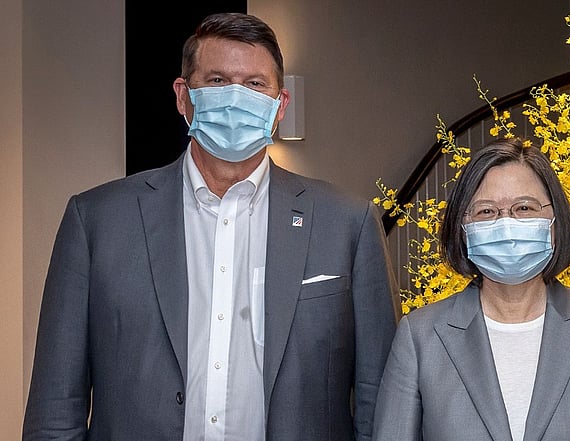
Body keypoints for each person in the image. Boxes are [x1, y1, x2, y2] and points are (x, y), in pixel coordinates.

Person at [23, 12, 400, 441]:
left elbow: (381, 401)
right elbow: (56, 407)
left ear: (280, 104)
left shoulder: (347, 223)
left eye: (256, 84)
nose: (237, 97)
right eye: (218, 81)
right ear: (184, 97)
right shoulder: (96, 220)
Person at [372, 137, 570, 441]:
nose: (506, 226)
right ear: (462, 228)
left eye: (524, 207)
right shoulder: (421, 337)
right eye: (486, 212)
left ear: (555, 219)